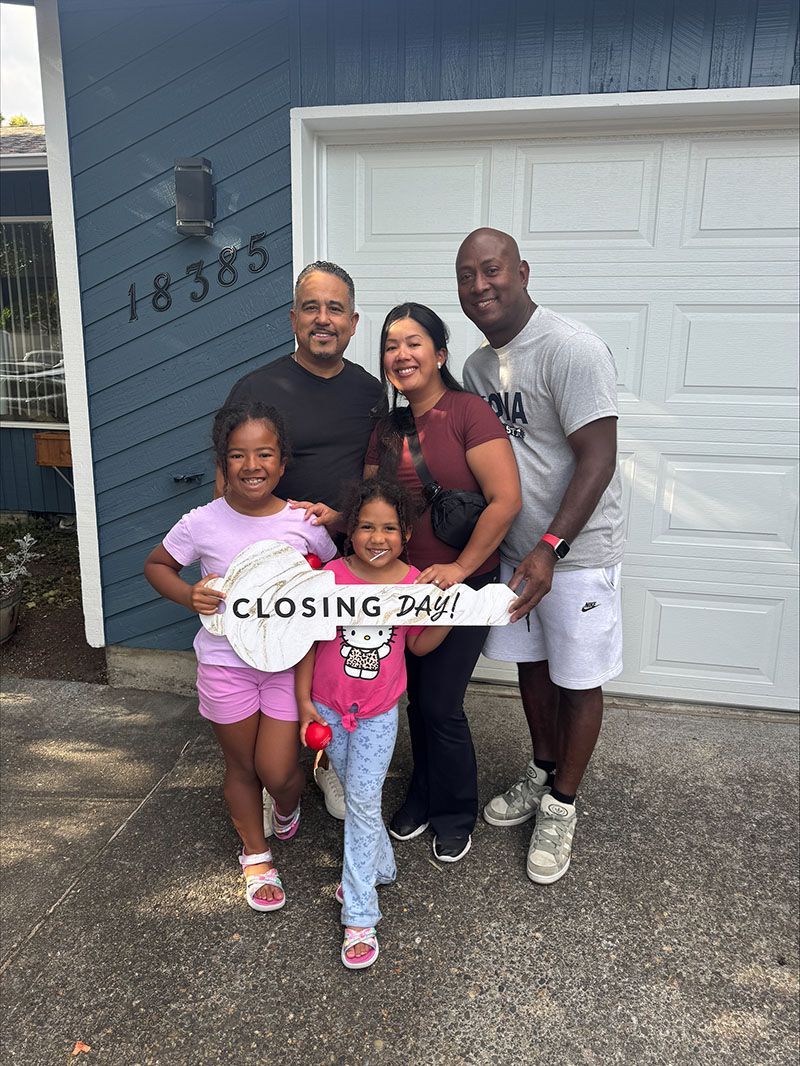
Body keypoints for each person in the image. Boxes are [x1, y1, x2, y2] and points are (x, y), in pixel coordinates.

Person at [458, 227, 624, 885]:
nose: (479, 286)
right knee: (531, 667)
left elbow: (599, 458)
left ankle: (562, 804)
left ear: (522, 272)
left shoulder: (571, 348)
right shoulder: (477, 369)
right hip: (517, 553)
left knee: (577, 678)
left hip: (574, 555)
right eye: (466, 276)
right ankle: (543, 767)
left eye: (492, 269)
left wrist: (553, 546)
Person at [145, 401, 336, 912]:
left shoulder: (302, 522)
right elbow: (158, 564)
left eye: (265, 454)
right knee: (242, 765)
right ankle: (255, 854)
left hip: (287, 668)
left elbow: (333, 580)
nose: (252, 466)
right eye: (238, 455)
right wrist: (188, 594)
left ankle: (288, 805)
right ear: (223, 462)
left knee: (278, 770)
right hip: (225, 666)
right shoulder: (201, 523)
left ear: (282, 462)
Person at [218, 261, 385, 822]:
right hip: (275, 565)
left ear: (353, 322)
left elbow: (376, 475)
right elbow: (227, 478)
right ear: (293, 318)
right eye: (311, 307)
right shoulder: (257, 388)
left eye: (335, 308)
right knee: (275, 664)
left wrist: (349, 522)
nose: (323, 319)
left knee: (336, 669)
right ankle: (275, 772)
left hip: (344, 559)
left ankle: (326, 762)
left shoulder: (369, 392)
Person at [365, 303, 521, 863]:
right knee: (415, 700)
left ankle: (455, 811)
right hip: (405, 589)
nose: (401, 355)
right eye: (391, 346)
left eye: (414, 343)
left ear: (439, 354)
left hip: (464, 585)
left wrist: (459, 569)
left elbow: (506, 500)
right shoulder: (387, 430)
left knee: (441, 701)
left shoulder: (467, 412)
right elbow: (371, 508)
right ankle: (422, 794)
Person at [295, 476, 451, 969]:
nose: (376, 538)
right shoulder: (329, 579)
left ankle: (360, 913)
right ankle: (380, 866)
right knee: (357, 797)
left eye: (388, 528)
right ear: (351, 530)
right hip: (328, 708)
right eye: (365, 526)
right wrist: (304, 703)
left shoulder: (414, 583)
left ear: (406, 534)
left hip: (379, 713)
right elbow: (308, 643)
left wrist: (448, 614)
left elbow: (418, 645)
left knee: (362, 802)